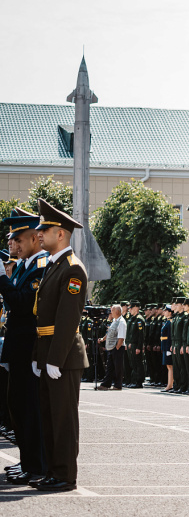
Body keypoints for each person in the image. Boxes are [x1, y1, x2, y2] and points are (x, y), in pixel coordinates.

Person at [29, 198, 90, 492]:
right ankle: (53, 470)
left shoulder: (72, 269)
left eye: (46, 229)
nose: (39, 234)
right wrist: (37, 356)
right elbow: (41, 318)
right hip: (48, 354)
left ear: (61, 234)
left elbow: (67, 320)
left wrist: (54, 359)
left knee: (63, 419)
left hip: (63, 357)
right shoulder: (53, 266)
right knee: (49, 417)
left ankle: (65, 475)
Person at [0, 209, 48, 484]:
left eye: (17, 240)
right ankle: (28, 460)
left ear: (33, 238)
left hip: (28, 347)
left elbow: (21, 304)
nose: (13, 245)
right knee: (17, 406)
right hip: (18, 347)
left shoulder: (39, 267)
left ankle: (36, 465)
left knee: (29, 408)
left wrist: (1, 281)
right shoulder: (24, 266)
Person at [97, 305, 126, 391]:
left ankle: (118, 385)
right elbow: (110, 332)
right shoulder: (114, 321)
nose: (111, 313)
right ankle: (106, 384)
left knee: (118, 367)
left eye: (112, 311)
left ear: (117, 312)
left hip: (117, 347)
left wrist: (117, 347)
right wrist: (103, 339)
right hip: (112, 347)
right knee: (110, 366)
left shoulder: (121, 322)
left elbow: (121, 337)